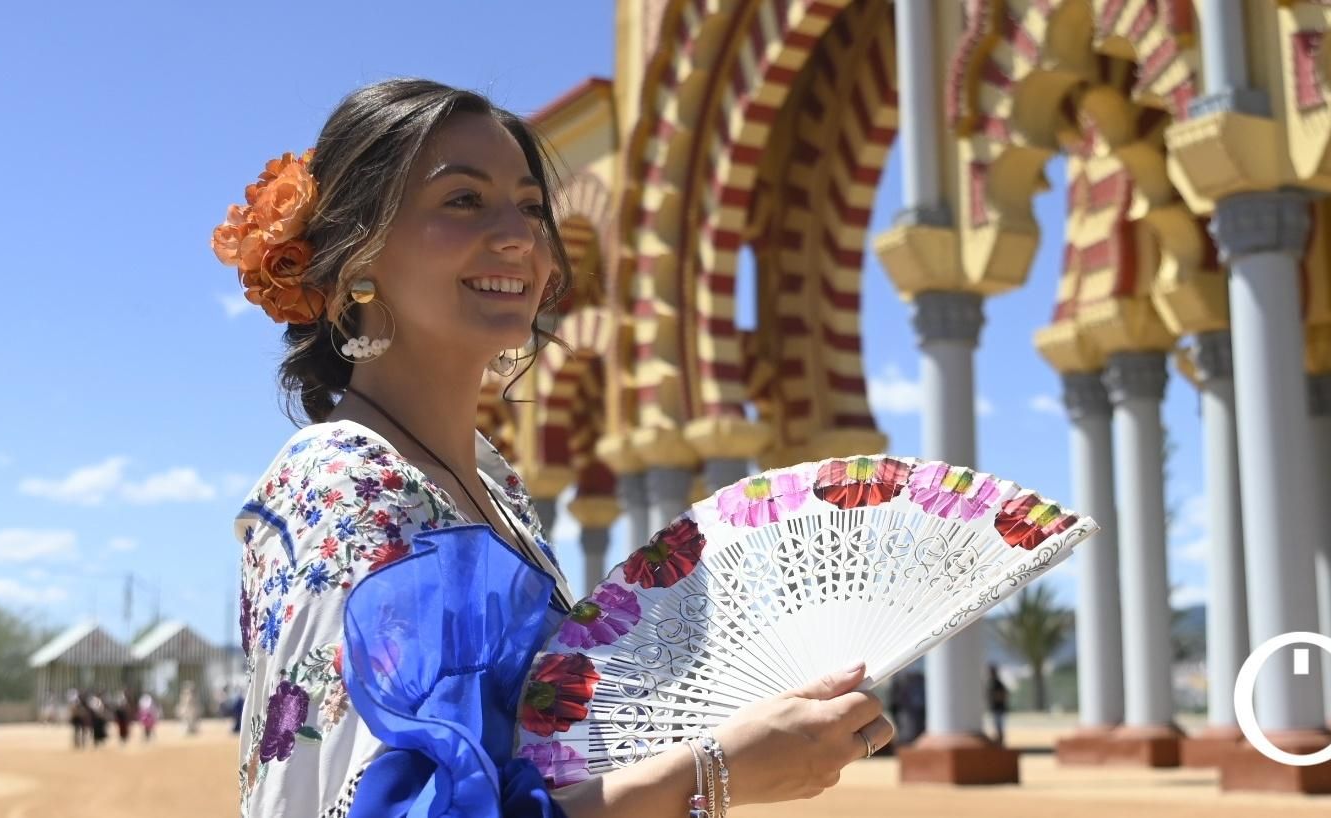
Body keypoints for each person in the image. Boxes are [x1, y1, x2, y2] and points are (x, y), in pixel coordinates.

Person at [218, 79, 895, 818]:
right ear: (358, 256)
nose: (519, 236)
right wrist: (710, 773)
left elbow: (535, 764)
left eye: (533, 207)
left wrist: (748, 732)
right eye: (463, 201)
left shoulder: (486, 480)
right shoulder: (343, 484)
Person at [986, 664, 1010, 746]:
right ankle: (999, 743)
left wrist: (994, 697)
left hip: (999, 709)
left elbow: (1003, 694)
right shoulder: (992, 683)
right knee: (996, 727)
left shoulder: (997, 683)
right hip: (996, 709)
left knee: (999, 728)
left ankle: (1000, 744)